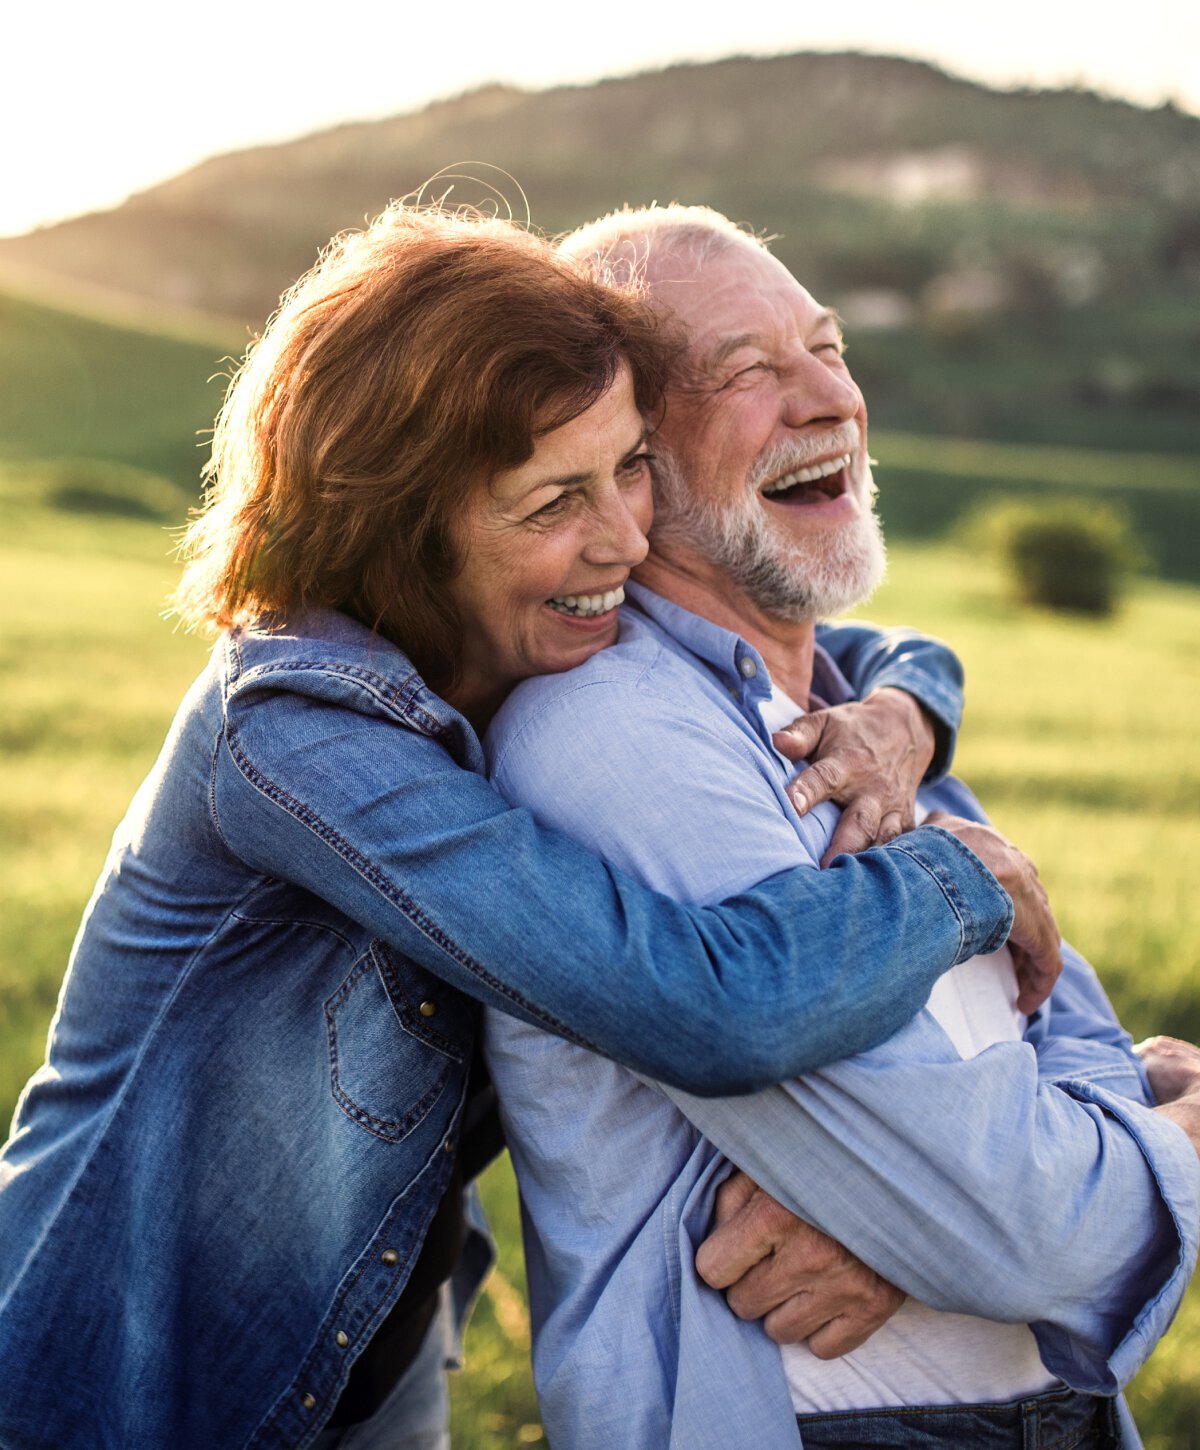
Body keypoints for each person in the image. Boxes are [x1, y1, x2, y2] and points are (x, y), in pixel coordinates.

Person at [0, 203, 1055, 1450]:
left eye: (630, 468)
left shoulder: (513, 645)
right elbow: (703, 1006)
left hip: (375, 1346)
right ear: (403, 521)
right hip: (134, 1386)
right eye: (555, 499)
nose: (622, 536)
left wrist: (898, 715)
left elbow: (872, 646)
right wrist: (957, 880)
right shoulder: (295, 735)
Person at [482, 205, 1200, 1449]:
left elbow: (1054, 1028)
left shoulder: (861, 726)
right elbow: (1016, 1228)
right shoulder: (613, 740)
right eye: (750, 371)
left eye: (831, 346)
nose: (830, 399)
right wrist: (1168, 1134)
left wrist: (945, 1212)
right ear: (625, 456)